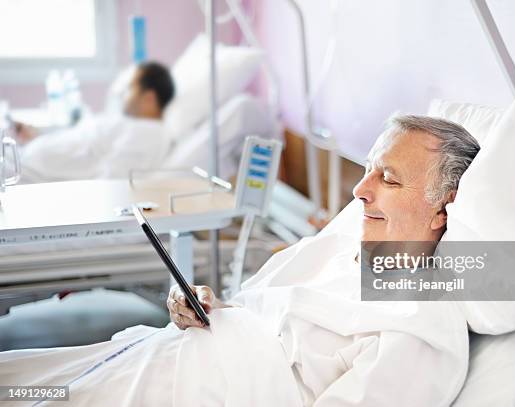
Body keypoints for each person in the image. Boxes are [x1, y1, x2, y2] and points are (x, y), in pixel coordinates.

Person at [0, 115, 480, 406]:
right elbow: (253, 314)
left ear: (444, 206)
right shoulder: (337, 249)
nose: (359, 190)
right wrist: (204, 307)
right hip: (168, 353)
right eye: (369, 169)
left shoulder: (420, 325)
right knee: (18, 377)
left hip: (196, 391)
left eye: (389, 180)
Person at [13, 61, 175, 182]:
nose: (123, 95)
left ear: (149, 98)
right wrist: (37, 138)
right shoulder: (134, 125)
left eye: (130, 88)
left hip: (28, 173)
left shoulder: (149, 133)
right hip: (25, 158)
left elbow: (112, 181)